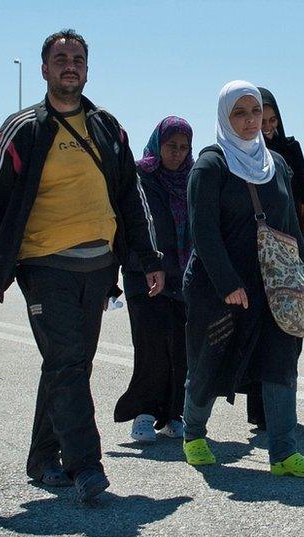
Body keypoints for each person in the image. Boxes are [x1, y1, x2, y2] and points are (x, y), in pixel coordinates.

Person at [0, 30, 165, 502]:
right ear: (45, 69)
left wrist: (148, 258)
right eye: (60, 59)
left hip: (98, 267)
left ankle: (42, 456)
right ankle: (86, 466)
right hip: (43, 264)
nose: (70, 65)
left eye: (77, 59)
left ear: (87, 69)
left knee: (69, 364)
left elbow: (131, 197)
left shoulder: (108, 127)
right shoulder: (23, 129)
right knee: (69, 362)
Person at [182, 80, 304, 478]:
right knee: (210, 363)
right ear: (225, 117)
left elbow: (292, 228)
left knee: (281, 365)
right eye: (239, 113)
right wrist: (228, 284)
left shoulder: (275, 164)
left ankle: (283, 454)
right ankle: (193, 434)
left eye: (255, 112)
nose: (249, 121)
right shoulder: (210, 164)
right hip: (219, 288)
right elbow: (202, 231)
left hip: (274, 288)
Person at [113, 117, 193, 441]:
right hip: (142, 276)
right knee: (151, 348)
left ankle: (174, 414)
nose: (176, 153)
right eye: (170, 146)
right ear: (157, 145)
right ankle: (143, 414)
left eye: (183, 147)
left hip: (182, 280)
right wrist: (142, 264)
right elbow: (125, 227)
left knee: (181, 351)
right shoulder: (138, 177)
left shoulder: (192, 179)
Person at [245, 87, 304, 430]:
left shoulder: (290, 150)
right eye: (263, 120)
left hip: (290, 248)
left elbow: (303, 194)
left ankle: (281, 405)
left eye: (273, 120)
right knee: (262, 334)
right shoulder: (242, 153)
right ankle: (260, 412)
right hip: (256, 251)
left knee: (292, 328)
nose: (268, 127)